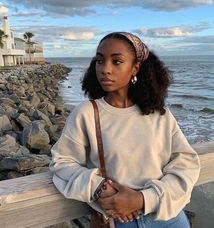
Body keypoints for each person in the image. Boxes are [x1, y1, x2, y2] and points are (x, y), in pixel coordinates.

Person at [49, 32, 200, 228]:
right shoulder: (87, 113)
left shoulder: (159, 115)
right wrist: (99, 187)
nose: (105, 69)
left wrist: (143, 199)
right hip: (119, 221)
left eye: (116, 61)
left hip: (167, 218)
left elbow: (186, 162)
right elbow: (62, 162)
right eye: (99, 61)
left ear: (135, 67)